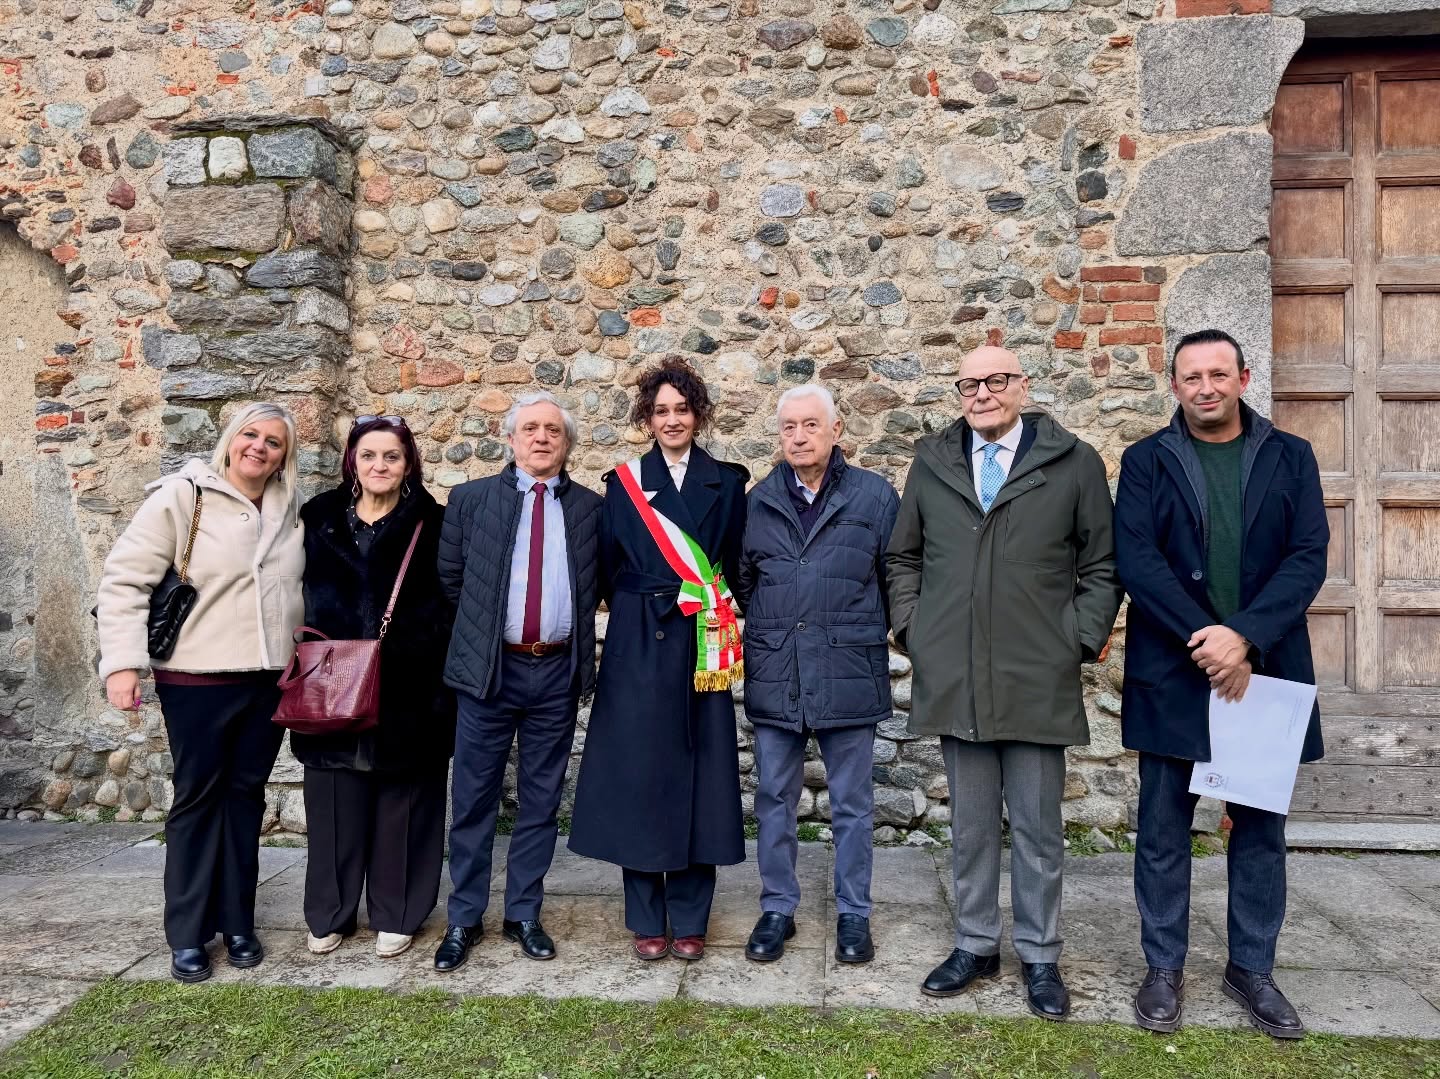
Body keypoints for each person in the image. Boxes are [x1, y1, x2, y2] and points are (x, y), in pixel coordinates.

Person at [886, 346, 1123, 1020]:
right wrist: (913, 628)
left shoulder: (1070, 463)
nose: (982, 392)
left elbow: (1102, 564)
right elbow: (902, 554)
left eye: (996, 380)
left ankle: (1041, 953)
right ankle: (975, 943)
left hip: (1035, 673)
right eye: (970, 382)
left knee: (1041, 824)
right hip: (955, 669)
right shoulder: (933, 463)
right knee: (969, 824)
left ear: (1022, 386)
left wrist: (1075, 639)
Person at [1116, 329, 1328, 1040]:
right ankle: (1163, 966)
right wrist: (1207, 639)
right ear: (1172, 385)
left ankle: (1253, 968)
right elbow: (1137, 561)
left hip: (1262, 669)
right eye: (1190, 376)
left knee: (1260, 827)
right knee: (1163, 827)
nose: (1204, 386)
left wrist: (1245, 635)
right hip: (1175, 670)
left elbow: (1307, 559)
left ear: (1243, 376)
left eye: (1217, 373)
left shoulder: (1291, 457)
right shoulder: (1145, 461)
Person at [96, 402, 305, 984]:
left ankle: (238, 921)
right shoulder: (183, 496)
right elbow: (124, 578)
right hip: (196, 678)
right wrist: (122, 665)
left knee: (246, 798)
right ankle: (187, 932)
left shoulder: (290, 510)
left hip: (268, 681)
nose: (259, 447)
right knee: (196, 800)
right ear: (231, 440)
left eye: (273, 441)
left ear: (284, 456)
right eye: (250, 435)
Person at [569, 356, 749, 962]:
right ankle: (647, 917)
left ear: (698, 415)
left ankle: (692, 917)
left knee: (703, 776)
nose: (672, 419)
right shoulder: (621, 485)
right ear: (646, 419)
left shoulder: (728, 482)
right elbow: (610, 569)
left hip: (701, 644)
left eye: (682, 409)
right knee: (639, 777)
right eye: (660, 411)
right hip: (639, 645)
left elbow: (734, 563)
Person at [433, 391, 603, 972]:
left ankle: (523, 912)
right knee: (474, 798)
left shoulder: (589, 509)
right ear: (510, 438)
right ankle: (463, 917)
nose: (541, 438)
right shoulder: (471, 499)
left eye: (553, 430)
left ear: (567, 443)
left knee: (540, 801)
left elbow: (595, 584)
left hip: (555, 671)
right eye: (529, 428)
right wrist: (489, 639)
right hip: (490, 672)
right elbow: (452, 580)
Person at [733, 384, 898, 966]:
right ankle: (778, 907)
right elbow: (745, 580)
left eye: (810, 425)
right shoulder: (757, 501)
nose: (799, 437)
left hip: (848, 670)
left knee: (852, 802)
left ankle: (854, 913)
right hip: (778, 669)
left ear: (835, 430)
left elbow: (891, 576)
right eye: (788, 428)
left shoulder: (875, 497)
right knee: (775, 797)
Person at [291, 416, 455, 961]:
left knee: (405, 802)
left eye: (392, 457)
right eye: (369, 455)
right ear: (351, 462)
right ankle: (330, 912)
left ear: (409, 465)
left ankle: (398, 911)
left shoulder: (434, 522)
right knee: (334, 800)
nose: (379, 466)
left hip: (413, 685)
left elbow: (453, 602)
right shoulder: (316, 518)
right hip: (330, 679)